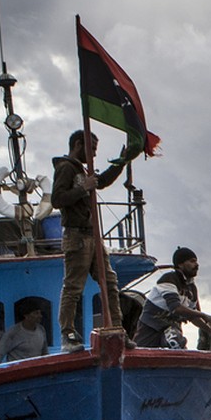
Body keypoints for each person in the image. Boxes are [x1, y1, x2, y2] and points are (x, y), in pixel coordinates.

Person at [53, 129, 136, 351]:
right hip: (76, 235)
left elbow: (102, 181)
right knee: (73, 287)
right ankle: (67, 334)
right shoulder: (65, 168)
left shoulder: (82, 170)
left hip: (92, 235)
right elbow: (57, 199)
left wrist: (121, 161)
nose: (94, 156)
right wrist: (83, 188)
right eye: (92, 149)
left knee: (109, 282)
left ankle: (118, 329)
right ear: (79, 145)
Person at [135, 247, 211, 348]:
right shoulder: (169, 279)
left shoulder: (192, 288)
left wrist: (210, 331)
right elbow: (175, 307)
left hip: (171, 330)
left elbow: (193, 316)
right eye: (192, 261)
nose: (196, 265)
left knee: (175, 343)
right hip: (151, 328)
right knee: (144, 350)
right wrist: (203, 315)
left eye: (196, 261)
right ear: (180, 264)